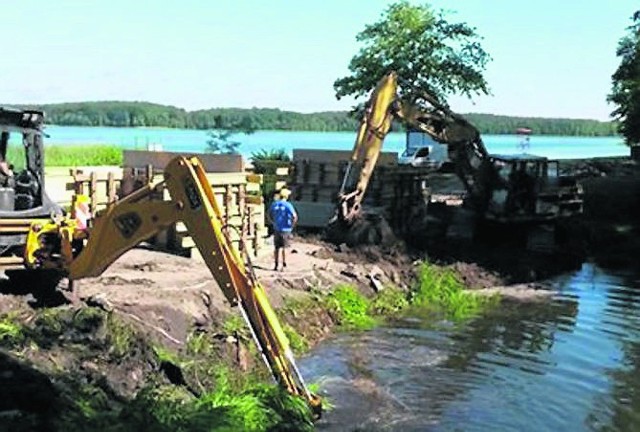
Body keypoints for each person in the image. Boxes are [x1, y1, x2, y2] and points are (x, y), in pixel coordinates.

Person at [268, 187, 298, 271]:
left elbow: (269, 214)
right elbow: (294, 216)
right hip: (286, 229)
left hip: (277, 228)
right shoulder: (288, 205)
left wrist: (273, 222)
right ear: (286, 196)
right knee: (284, 247)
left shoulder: (275, 204)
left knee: (276, 248)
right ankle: (284, 265)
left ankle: (276, 265)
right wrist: (292, 226)